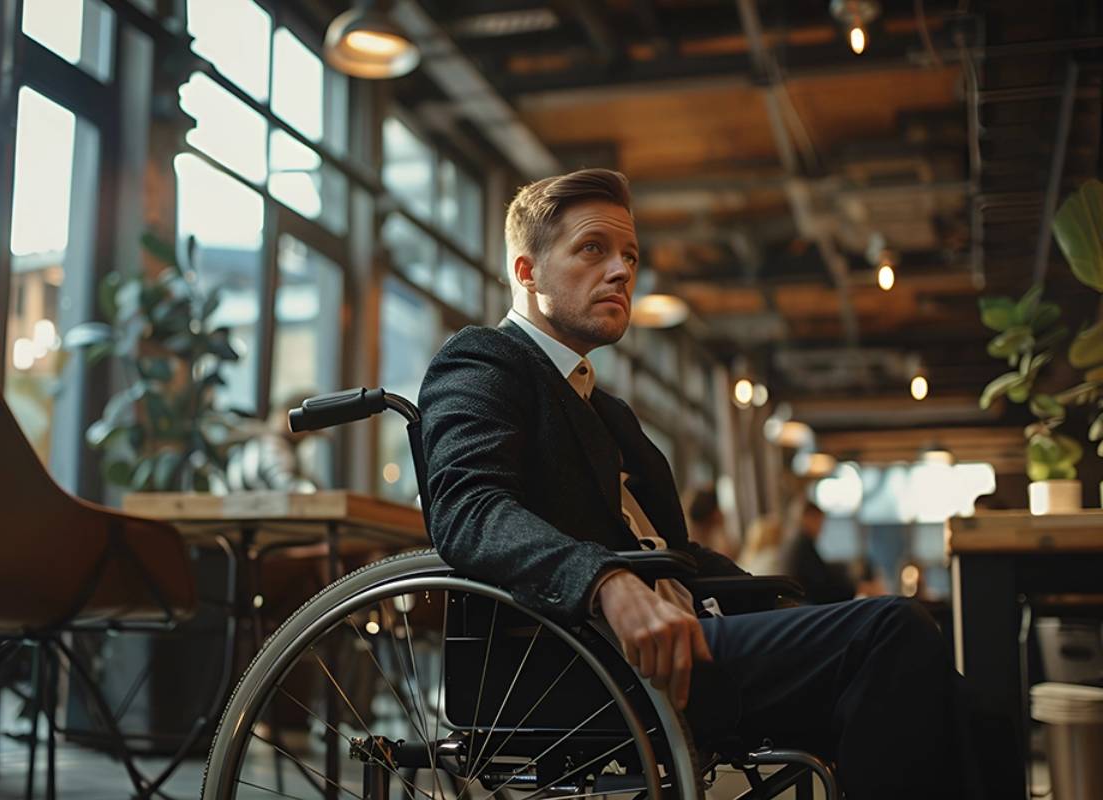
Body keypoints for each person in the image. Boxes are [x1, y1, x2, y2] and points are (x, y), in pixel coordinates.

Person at [418, 168, 1022, 799]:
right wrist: (602, 580)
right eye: (593, 249)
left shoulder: (605, 408)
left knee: (981, 714)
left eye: (630, 255)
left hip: (686, 632)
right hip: (588, 657)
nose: (623, 271)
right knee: (893, 632)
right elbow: (469, 510)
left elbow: (678, 554)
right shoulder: (483, 360)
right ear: (527, 271)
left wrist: (783, 609)